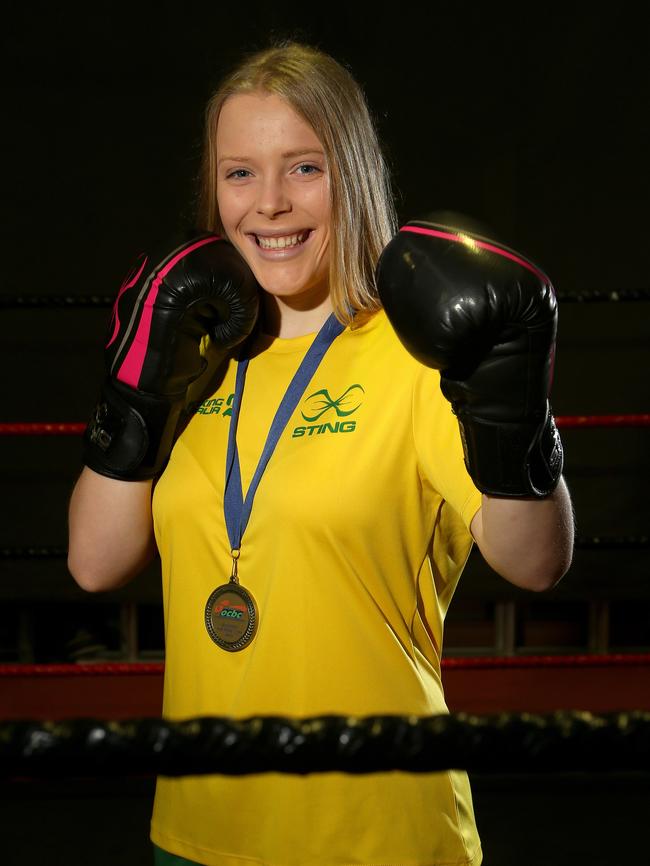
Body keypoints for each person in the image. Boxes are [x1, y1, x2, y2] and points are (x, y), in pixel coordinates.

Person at [68, 39, 574, 866]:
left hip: (379, 831)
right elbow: (93, 563)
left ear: (354, 174)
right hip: (198, 829)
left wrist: (512, 400)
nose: (268, 203)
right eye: (240, 173)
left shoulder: (413, 351)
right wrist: (134, 394)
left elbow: (535, 564)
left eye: (303, 168)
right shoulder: (196, 350)